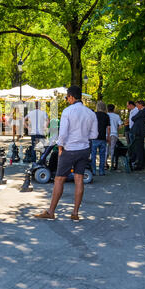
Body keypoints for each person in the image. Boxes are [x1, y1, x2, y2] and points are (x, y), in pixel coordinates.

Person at [34, 85, 98, 221]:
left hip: (70, 149)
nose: (67, 100)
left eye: (67, 97)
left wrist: (61, 148)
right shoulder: (91, 113)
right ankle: (75, 212)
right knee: (79, 179)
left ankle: (51, 211)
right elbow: (94, 134)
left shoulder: (67, 112)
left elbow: (62, 134)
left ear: (71, 96)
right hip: (84, 149)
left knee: (59, 179)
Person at [91, 101, 111, 176]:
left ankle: (93, 171)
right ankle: (101, 171)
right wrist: (108, 137)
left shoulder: (94, 115)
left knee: (93, 154)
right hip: (103, 138)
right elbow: (108, 128)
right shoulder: (106, 116)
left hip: (94, 137)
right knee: (102, 155)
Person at [130, 100, 145, 170]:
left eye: (137, 105)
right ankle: (140, 163)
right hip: (139, 132)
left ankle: (140, 165)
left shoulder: (142, 111)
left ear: (141, 105)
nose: (137, 107)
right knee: (140, 149)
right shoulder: (142, 111)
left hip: (139, 133)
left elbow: (133, 118)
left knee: (140, 149)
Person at [105, 104, 123, 169]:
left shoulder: (105, 115)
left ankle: (105, 164)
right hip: (114, 134)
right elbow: (120, 126)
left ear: (107, 109)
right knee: (112, 149)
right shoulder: (117, 116)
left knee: (106, 150)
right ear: (114, 109)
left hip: (106, 134)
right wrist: (116, 128)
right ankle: (113, 164)